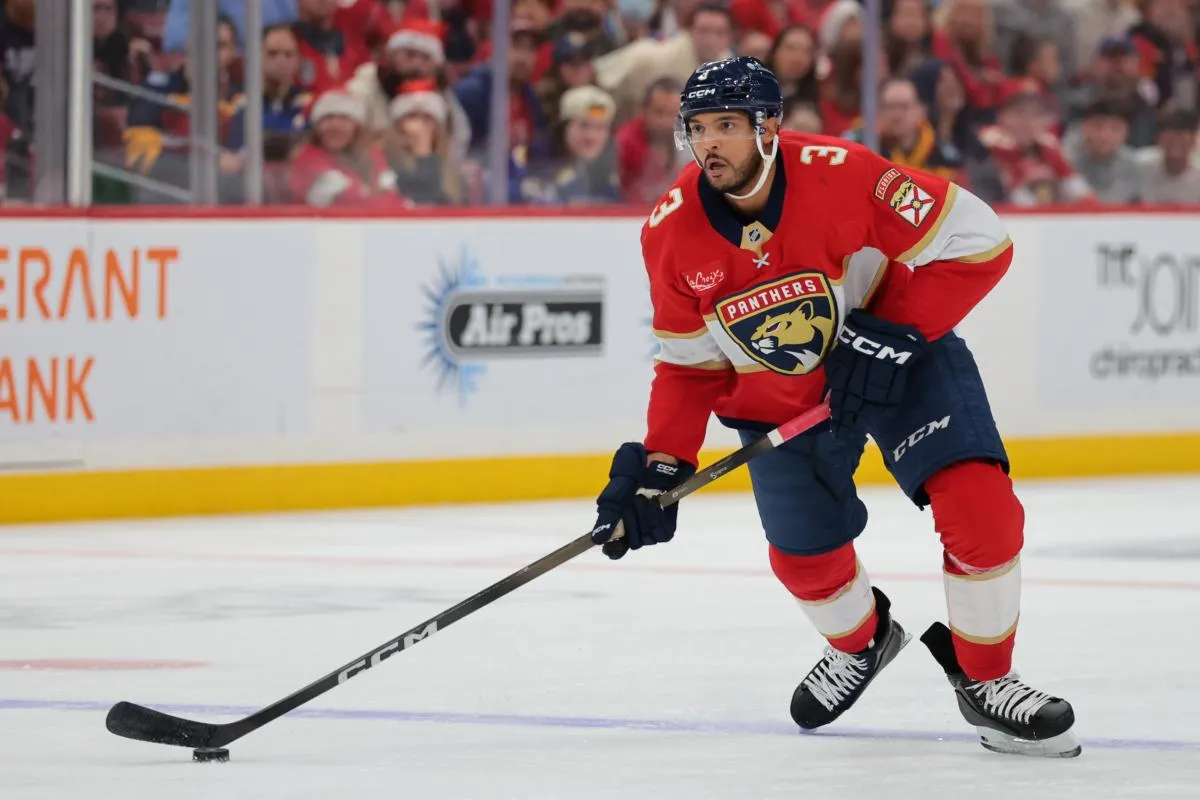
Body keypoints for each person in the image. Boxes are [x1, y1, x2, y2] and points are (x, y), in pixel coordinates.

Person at [589, 56, 1080, 758]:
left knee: (983, 512)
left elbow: (982, 242)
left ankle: (987, 681)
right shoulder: (669, 232)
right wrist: (662, 465)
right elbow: (689, 365)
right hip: (781, 395)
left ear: (770, 126)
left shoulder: (844, 173)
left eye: (727, 125)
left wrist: (889, 333)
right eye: (697, 128)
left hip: (902, 354)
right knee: (804, 560)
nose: (709, 144)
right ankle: (864, 643)